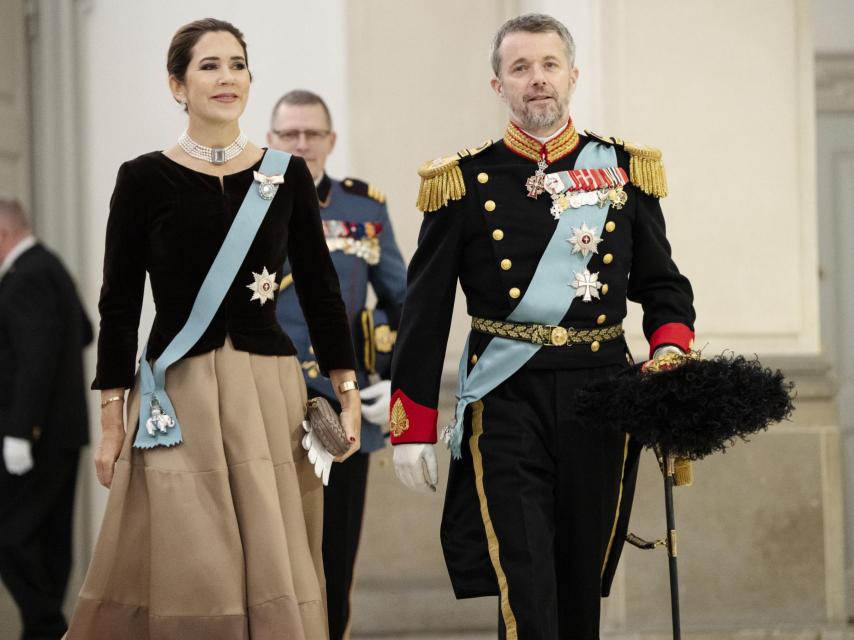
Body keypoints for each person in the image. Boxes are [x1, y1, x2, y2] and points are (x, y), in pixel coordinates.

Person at [389, 13, 695, 640]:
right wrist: (411, 425)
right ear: (498, 85)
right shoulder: (463, 182)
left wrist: (669, 353)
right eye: (520, 67)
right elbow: (424, 311)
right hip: (506, 399)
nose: (537, 79)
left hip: (602, 395)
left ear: (573, 76)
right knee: (524, 582)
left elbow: (664, 287)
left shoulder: (624, 172)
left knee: (579, 588)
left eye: (549, 65)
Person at [64, 18, 360, 639]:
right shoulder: (143, 178)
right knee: (193, 553)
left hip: (268, 391)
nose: (227, 77)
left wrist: (346, 389)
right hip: (178, 393)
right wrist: (111, 420)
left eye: (237, 64)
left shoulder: (286, 174)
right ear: (177, 84)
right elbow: (119, 303)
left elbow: (321, 289)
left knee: (273, 554)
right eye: (209, 65)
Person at [268, 89, 407, 639]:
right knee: (269, 557)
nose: (301, 144)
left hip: (341, 406)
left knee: (334, 556)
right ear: (271, 140)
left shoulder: (362, 210)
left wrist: (393, 375)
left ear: (331, 140)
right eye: (289, 134)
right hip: (266, 399)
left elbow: (403, 302)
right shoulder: (244, 206)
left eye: (312, 134)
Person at [0, 199, 92, 640]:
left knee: (11, 536)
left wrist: (20, 431)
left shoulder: (26, 277)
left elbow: (35, 359)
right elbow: (83, 330)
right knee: (49, 536)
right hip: (62, 433)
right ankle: (45, 630)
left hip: (34, 437)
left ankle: (47, 627)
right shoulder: (49, 265)